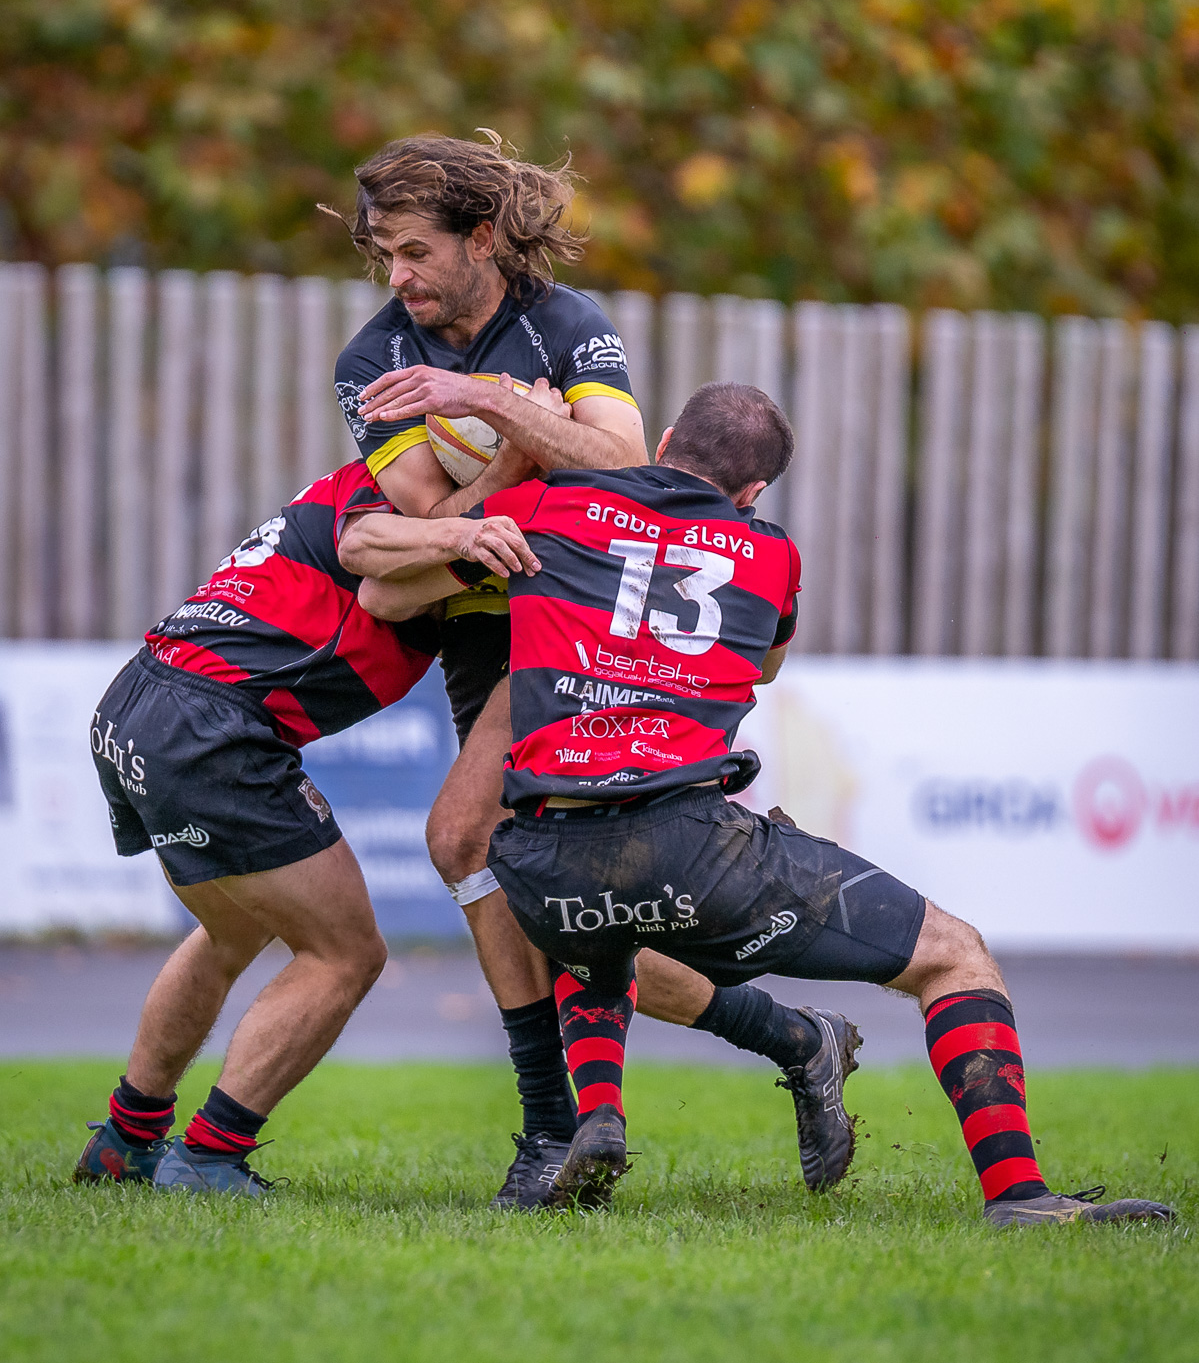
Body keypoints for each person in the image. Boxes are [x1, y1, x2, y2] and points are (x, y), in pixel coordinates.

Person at [354, 381, 1175, 1228]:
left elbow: (386, 590)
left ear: (665, 436)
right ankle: (1018, 1196)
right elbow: (768, 665)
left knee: (594, 925)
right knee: (955, 955)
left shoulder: (544, 508)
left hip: (536, 857)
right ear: (752, 493)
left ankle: (600, 1111)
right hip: (694, 845)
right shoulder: (771, 552)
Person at [329, 132, 854, 1207]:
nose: (397, 280)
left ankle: (547, 1128)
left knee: (462, 842)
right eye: (383, 255)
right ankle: (795, 1038)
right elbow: (434, 532)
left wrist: (478, 405)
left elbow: (624, 465)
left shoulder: (565, 323)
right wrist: (530, 437)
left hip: (579, 622)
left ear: (482, 238)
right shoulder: (372, 364)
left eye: (414, 252)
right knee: (542, 899)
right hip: (480, 632)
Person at [76, 460, 539, 1197]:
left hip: (140, 698)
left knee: (232, 931)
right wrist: (508, 500)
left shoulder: (369, 481)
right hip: (212, 725)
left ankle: (126, 1140)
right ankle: (207, 1157)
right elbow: (380, 583)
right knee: (345, 954)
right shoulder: (390, 505)